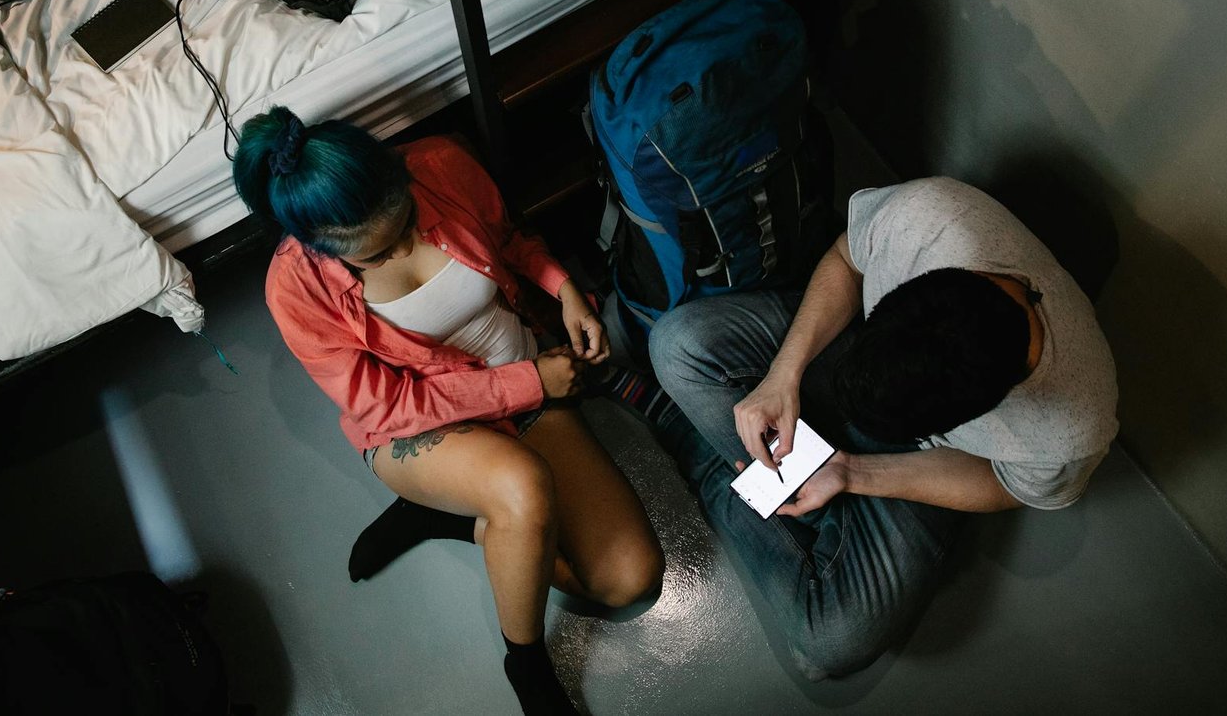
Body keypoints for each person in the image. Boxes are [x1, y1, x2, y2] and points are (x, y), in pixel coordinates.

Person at [235, 107, 664, 716]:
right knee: (520, 485)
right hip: (420, 426)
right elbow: (388, 404)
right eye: (377, 256)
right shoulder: (294, 288)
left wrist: (564, 289)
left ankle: (455, 517)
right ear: (324, 247)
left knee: (628, 578)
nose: (404, 247)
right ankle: (527, 664)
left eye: (407, 222)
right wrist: (529, 382)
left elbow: (510, 241)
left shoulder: (440, 163)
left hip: (528, 389)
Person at [643, 176, 1119, 680]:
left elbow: (1006, 484)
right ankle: (781, 501)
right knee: (676, 343)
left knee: (829, 644)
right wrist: (785, 373)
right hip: (855, 354)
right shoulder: (926, 219)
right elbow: (847, 259)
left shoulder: (1070, 430)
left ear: (972, 419)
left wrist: (853, 472)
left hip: (919, 463)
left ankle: (703, 456)